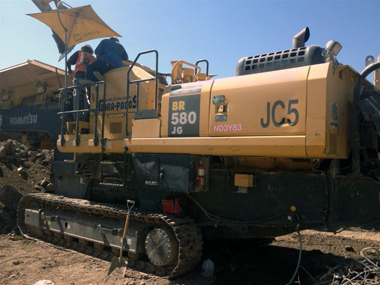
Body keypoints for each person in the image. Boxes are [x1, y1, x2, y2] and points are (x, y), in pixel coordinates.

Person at [66, 44, 96, 122]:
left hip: (78, 79)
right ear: (91, 51)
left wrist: (69, 71)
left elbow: (68, 62)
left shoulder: (79, 53)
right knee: (87, 100)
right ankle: (86, 119)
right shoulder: (93, 58)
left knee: (76, 99)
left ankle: (76, 119)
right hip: (88, 81)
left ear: (83, 49)